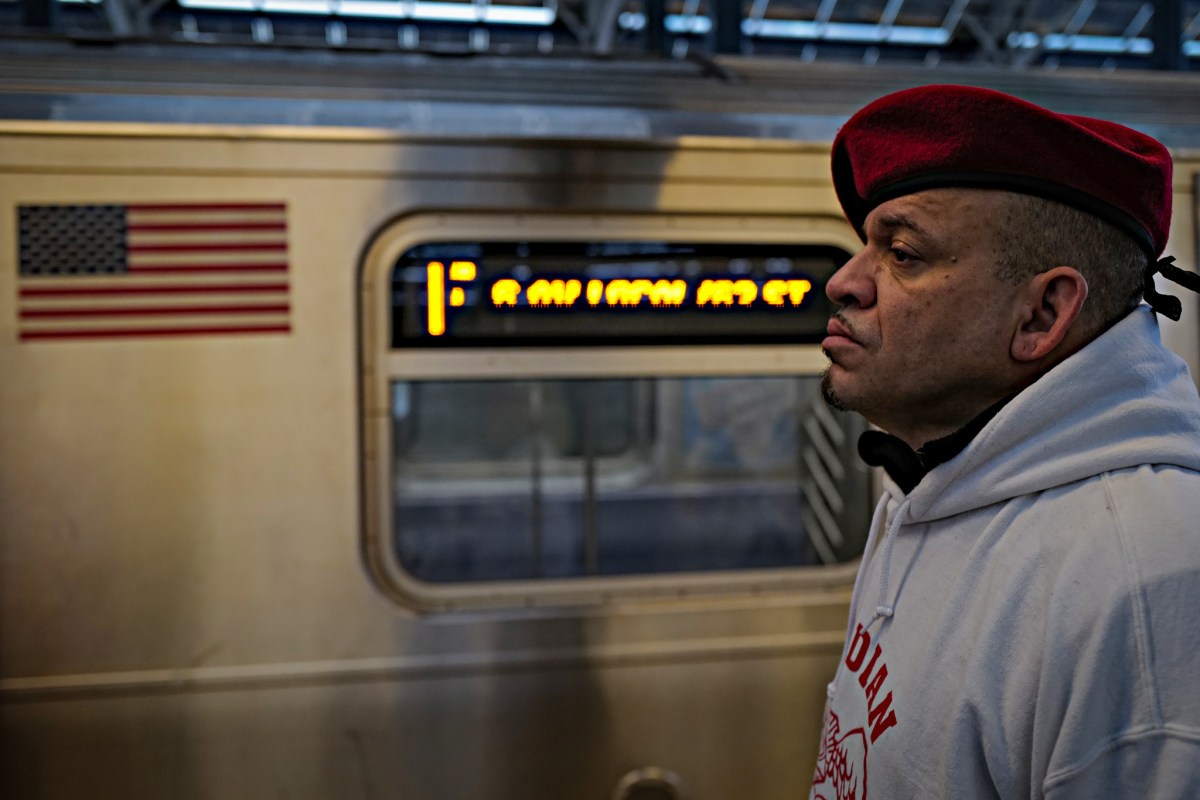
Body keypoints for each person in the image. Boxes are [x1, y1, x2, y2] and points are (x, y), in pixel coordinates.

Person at [810, 84, 1200, 799]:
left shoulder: (1145, 577)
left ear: (1042, 313)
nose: (843, 282)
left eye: (900, 252)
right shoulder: (934, 483)